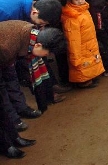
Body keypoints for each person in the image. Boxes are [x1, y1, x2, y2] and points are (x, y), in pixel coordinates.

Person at [0, 21, 65, 159]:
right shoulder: (9, 46)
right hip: (3, 54)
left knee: (4, 101)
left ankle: (13, 137)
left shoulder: (30, 33)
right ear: (39, 45)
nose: (44, 57)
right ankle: (5, 145)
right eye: (46, 54)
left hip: (4, 58)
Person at [61, 0, 104, 88]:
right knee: (82, 63)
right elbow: (73, 40)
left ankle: (90, 76)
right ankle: (83, 81)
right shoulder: (72, 16)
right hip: (80, 45)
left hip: (89, 42)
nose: (80, 1)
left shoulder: (84, 9)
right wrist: (75, 58)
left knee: (90, 60)